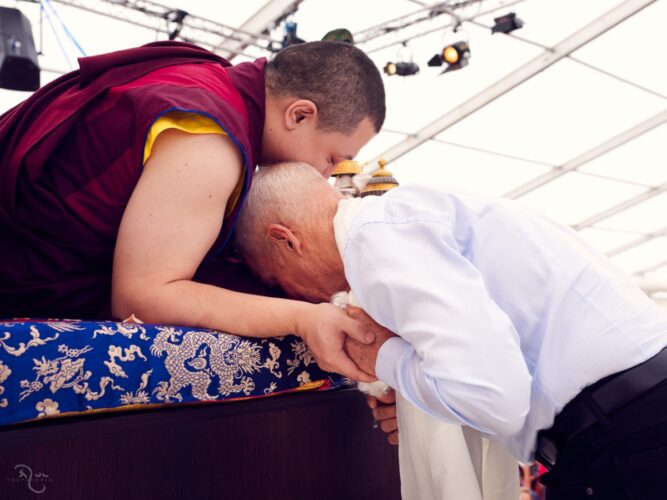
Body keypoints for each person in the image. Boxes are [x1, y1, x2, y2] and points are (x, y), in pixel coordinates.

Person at [235, 162, 667, 500]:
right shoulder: (405, 216)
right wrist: (425, 403)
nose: (297, 296)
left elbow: (495, 399)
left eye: (278, 282)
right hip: (627, 425)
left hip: (629, 438)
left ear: (286, 240)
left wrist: (381, 356)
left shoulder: (374, 239)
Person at [0, 40, 385, 382]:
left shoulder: (209, 80)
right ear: (298, 115)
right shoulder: (208, 141)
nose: (327, 174)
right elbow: (141, 298)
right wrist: (303, 319)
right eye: (333, 157)